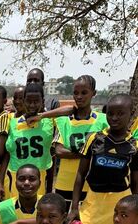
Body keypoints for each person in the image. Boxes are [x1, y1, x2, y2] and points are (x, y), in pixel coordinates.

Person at [68, 94, 138, 224]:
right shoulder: (94, 139)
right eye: (110, 113)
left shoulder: (134, 146)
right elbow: (80, 174)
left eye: (120, 114)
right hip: (93, 204)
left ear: (131, 113)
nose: (114, 118)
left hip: (121, 206)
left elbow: (135, 183)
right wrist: (74, 207)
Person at [53, 75, 108, 210]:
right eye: (76, 93)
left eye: (84, 93)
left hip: (91, 184)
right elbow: (59, 151)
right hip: (64, 183)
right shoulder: (64, 121)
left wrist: (73, 152)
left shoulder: (103, 121)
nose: (79, 97)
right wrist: (87, 153)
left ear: (93, 93)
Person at [0, 83, 54, 199]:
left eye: (36, 101)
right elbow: (7, 155)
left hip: (39, 179)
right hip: (15, 178)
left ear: (42, 101)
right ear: (23, 100)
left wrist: (42, 116)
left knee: (37, 214)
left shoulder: (50, 121)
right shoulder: (12, 122)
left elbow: (71, 110)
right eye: (29, 101)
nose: (32, 105)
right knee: (15, 214)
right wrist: (0, 182)